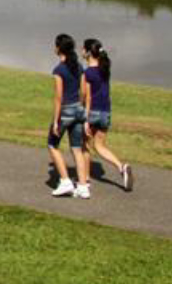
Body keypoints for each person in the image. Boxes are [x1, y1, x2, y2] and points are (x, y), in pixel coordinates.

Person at [82, 38, 133, 192]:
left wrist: (85, 119)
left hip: (92, 112)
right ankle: (121, 167)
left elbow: (86, 97)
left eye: (83, 49)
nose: (81, 51)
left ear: (89, 53)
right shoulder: (105, 70)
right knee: (100, 146)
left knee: (84, 146)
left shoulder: (87, 73)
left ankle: (84, 181)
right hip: (106, 112)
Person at [48, 33, 91, 198]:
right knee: (76, 149)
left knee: (52, 144)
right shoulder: (79, 67)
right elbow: (83, 92)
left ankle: (65, 181)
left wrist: (57, 121)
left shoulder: (59, 70)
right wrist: (81, 109)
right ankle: (83, 186)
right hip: (79, 110)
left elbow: (58, 97)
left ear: (59, 48)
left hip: (65, 110)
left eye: (55, 45)